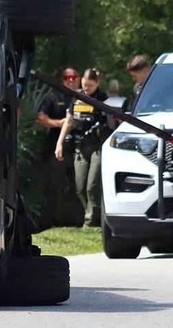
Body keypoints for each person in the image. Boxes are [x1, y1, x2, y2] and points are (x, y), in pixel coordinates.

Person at [54, 68, 109, 227]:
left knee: (92, 186)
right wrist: (60, 143)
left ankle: (92, 222)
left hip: (97, 146)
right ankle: (90, 214)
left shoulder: (103, 99)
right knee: (80, 187)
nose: (87, 89)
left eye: (90, 86)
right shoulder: (77, 98)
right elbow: (69, 121)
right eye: (85, 85)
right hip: (80, 146)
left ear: (97, 83)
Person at [35, 67, 81, 228]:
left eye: (74, 77)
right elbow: (41, 119)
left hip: (78, 146)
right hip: (55, 147)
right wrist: (60, 124)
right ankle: (48, 221)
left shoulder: (82, 97)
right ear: (63, 79)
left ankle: (75, 221)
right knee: (53, 186)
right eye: (67, 77)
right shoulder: (53, 97)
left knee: (77, 186)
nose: (71, 80)